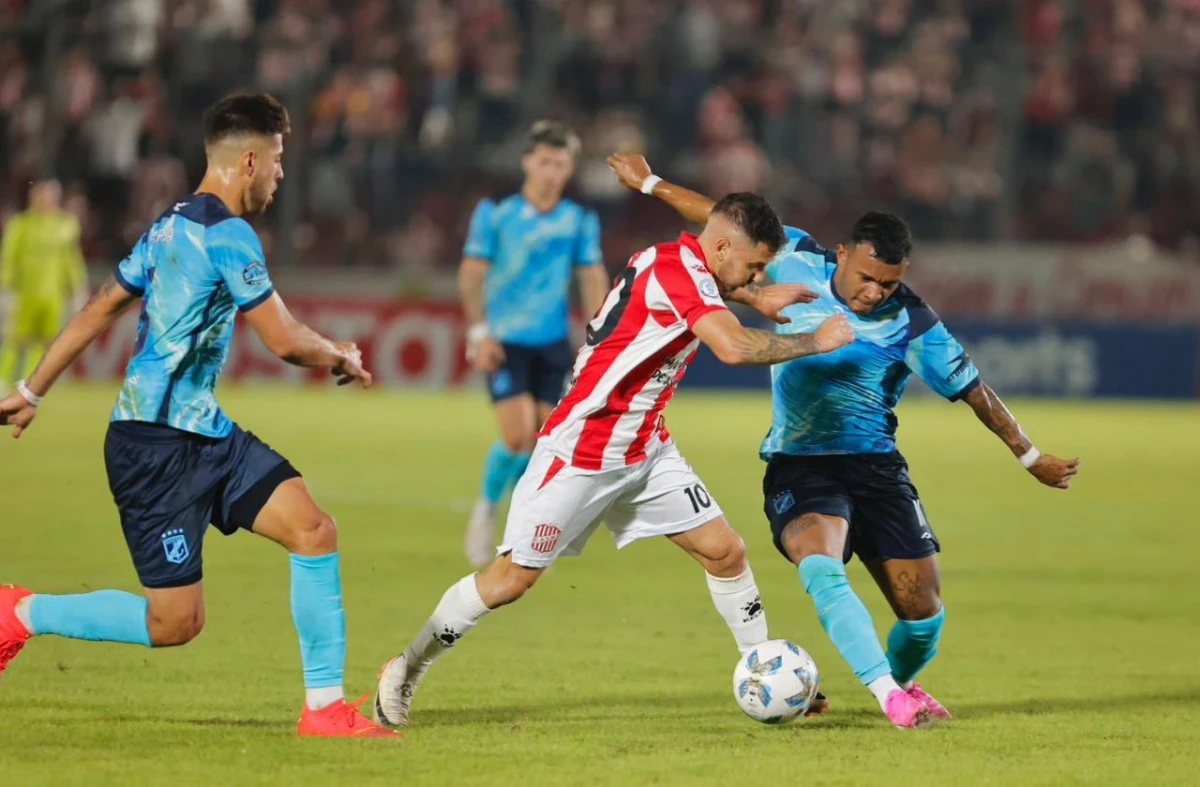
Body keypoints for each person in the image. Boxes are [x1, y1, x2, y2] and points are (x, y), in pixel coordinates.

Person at [608, 153, 1080, 729]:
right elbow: (719, 218)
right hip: (799, 464)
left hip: (877, 469)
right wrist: (651, 182)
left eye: (890, 282)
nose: (878, 291)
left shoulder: (914, 321)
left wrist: (1029, 455)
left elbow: (974, 389)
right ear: (844, 255)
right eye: (868, 277)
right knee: (821, 564)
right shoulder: (796, 256)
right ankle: (889, 697)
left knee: (923, 615)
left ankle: (899, 682)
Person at [374, 191, 856, 728]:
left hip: (645, 448)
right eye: (755, 266)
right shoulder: (682, 277)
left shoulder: (669, 259)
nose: (760, 276)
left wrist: (753, 297)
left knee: (725, 551)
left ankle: (769, 674)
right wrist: (816, 340)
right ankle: (405, 668)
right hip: (581, 451)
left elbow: (705, 291)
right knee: (509, 581)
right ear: (721, 247)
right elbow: (734, 349)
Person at [0, 94, 398, 738]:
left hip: (205, 434)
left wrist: (33, 389)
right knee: (175, 624)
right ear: (248, 160)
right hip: (152, 449)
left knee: (314, 529)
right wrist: (339, 355)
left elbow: (100, 307)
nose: (280, 174)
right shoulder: (226, 233)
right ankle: (21, 614)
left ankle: (324, 709)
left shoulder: (166, 227)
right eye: (277, 160)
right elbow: (284, 340)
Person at [460, 120, 611, 567]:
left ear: (568, 170)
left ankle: (519, 524)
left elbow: (591, 277)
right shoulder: (496, 212)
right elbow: (472, 274)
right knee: (517, 432)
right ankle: (485, 512)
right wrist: (478, 331)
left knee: (544, 439)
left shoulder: (579, 220)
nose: (550, 171)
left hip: (551, 342)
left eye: (559, 164)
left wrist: (599, 337)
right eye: (544, 161)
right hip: (505, 341)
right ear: (528, 161)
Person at [0, 179, 88, 389]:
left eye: (51, 196)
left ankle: (29, 382)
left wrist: (78, 288)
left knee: (46, 341)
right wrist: (6, 289)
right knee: (16, 340)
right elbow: (9, 258)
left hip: (53, 295)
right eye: (42, 195)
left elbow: (71, 260)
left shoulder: (66, 225)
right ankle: (2, 378)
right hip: (24, 295)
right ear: (33, 197)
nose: (46, 200)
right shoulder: (20, 224)